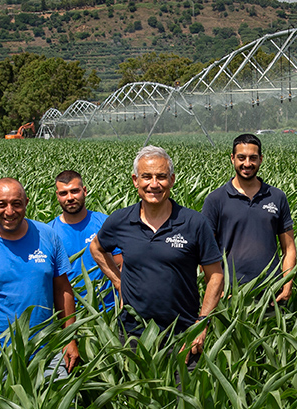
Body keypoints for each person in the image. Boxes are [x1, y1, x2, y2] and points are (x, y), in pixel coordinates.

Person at [89, 146, 224, 357]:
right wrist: (118, 281)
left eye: (161, 177)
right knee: (134, 389)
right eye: (146, 177)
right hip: (133, 333)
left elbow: (215, 275)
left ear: (172, 179)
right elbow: (96, 248)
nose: (154, 184)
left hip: (182, 334)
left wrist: (201, 324)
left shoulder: (194, 223)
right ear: (135, 181)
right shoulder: (120, 220)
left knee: (183, 389)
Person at [0, 178, 79, 370]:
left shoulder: (47, 236)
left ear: (27, 202)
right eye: (1, 205)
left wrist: (69, 338)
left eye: (16, 204)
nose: (9, 212)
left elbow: (63, 290)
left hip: (45, 350)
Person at [201, 133, 297, 302]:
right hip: (229, 293)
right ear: (232, 159)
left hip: (270, 293)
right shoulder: (216, 199)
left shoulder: (276, 197)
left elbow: (289, 248)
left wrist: (287, 286)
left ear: (260, 159)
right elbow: (204, 251)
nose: (247, 163)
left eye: (253, 158)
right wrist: (216, 289)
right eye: (241, 158)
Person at [48, 170, 119, 311]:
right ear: (57, 196)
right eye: (63, 193)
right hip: (72, 313)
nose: (69, 198)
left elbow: (121, 265)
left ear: (84, 191)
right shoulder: (49, 232)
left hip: (109, 310)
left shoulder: (105, 223)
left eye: (75, 191)